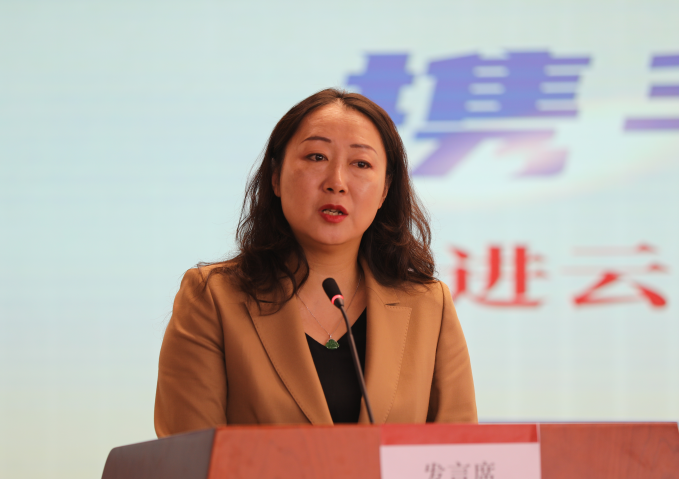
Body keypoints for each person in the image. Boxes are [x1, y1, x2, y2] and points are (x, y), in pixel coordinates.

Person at [154, 88, 477, 436]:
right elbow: (190, 457)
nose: (336, 182)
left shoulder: (429, 306)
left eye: (361, 164)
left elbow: (459, 453)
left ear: (385, 190)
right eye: (316, 157)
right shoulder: (213, 299)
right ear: (276, 176)